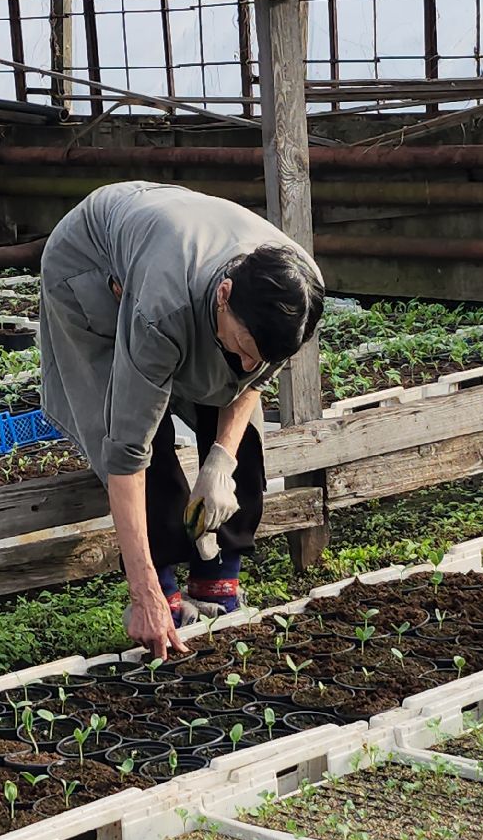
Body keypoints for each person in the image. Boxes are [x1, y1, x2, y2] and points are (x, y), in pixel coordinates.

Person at [37, 181, 325, 660]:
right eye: (245, 347)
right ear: (224, 295)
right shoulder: (161, 310)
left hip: (171, 247)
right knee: (143, 437)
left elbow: (248, 382)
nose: (250, 364)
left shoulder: (298, 293)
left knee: (241, 439)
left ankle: (217, 583)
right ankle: (164, 598)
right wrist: (143, 591)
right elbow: (127, 454)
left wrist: (220, 462)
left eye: (260, 356)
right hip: (92, 263)